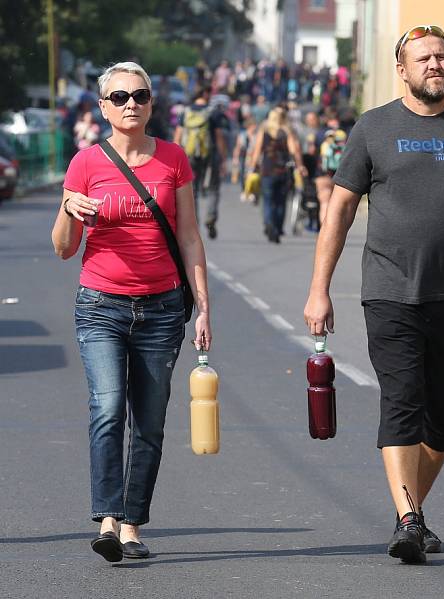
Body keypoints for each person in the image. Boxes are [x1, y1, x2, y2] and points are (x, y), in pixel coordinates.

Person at [303, 25, 444, 565]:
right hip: (389, 291)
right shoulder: (373, 128)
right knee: (402, 403)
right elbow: (338, 211)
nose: (435, 64)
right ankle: (409, 518)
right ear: (401, 69)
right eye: (423, 58)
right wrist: (320, 290)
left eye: (442, 56)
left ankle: (410, 514)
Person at [51, 61, 212, 563]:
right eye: (119, 97)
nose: (130, 105)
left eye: (139, 96)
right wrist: (67, 208)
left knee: (149, 420)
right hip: (100, 304)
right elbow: (62, 248)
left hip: (163, 307)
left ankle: (131, 525)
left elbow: (188, 236)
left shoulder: (173, 160)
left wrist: (203, 308)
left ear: (151, 105)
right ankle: (106, 519)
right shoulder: (85, 164)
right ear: (102, 107)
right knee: (107, 408)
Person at [173, 86, 228, 239]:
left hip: (189, 156)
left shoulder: (185, 113)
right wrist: (223, 158)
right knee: (213, 188)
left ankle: (193, 223)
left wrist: (175, 159)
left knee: (192, 191)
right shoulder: (213, 113)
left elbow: (178, 137)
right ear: (205, 93)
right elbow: (219, 138)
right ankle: (210, 218)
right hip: (209, 156)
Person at [250, 106, 305, 243]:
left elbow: (257, 151)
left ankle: (269, 223)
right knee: (281, 201)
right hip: (283, 171)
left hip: (267, 170)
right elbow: (294, 151)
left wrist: (252, 167)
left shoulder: (265, 131)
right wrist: (299, 165)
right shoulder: (287, 132)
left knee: (268, 200)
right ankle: (278, 227)